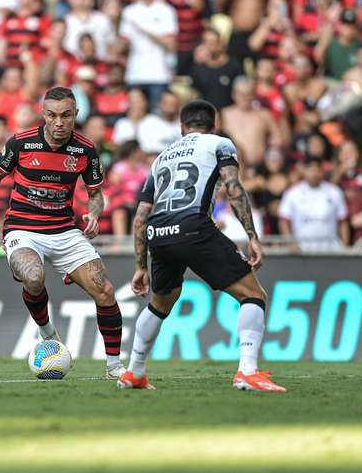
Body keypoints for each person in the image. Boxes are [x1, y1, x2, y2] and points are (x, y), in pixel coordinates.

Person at [119, 99, 285, 393]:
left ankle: (134, 371)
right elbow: (233, 188)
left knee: (159, 305)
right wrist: (252, 236)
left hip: (159, 231)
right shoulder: (219, 144)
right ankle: (247, 371)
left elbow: (140, 216)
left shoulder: (162, 157)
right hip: (193, 225)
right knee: (253, 295)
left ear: (182, 127)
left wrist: (140, 266)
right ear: (214, 124)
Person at [0, 86, 127, 379]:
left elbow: (96, 194)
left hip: (64, 230)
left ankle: (114, 367)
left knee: (105, 290)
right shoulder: (21, 143)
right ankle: (49, 335)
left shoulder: (85, 149)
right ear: (43, 114)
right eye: (52, 115)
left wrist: (95, 213)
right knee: (34, 276)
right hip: (23, 229)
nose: (59, 122)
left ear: (76, 114)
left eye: (66, 115)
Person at [119, 0, 178, 109]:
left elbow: (171, 44)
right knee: (135, 113)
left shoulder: (166, 10)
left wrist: (144, 30)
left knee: (157, 116)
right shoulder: (129, 11)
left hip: (159, 74)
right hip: (135, 74)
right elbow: (123, 42)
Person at [279, 156, 349, 252]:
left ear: (322, 171)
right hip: (302, 250)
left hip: (330, 250)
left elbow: (343, 220)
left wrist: (344, 246)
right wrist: (290, 243)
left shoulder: (334, 192)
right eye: (310, 170)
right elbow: (284, 220)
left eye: (317, 170)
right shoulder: (292, 193)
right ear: (304, 171)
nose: (314, 174)